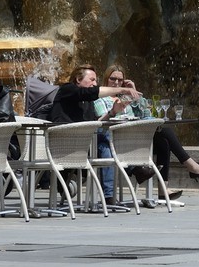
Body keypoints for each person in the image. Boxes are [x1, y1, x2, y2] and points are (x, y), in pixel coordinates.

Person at [94, 65, 199, 187]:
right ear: (106, 79)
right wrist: (115, 111)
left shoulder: (126, 97)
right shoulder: (100, 99)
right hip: (116, 139)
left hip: (135, 139)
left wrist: (134, 92)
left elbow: (147, 113)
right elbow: (103, 122)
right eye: (113, 79)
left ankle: (164, 189)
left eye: (120, 80)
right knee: (163, 134)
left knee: (163, 140)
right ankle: (190, 166)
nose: (116, 82)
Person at [49, 65, 140, 203]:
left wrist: (112, 112)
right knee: (105, 139)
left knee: (105, 143)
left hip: (83, 144)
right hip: (64, 145)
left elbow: (95, 123)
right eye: (91, 80)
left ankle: (109, 196)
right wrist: (123, 89)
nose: (94, 84)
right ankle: (135, 169)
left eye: (96, 81)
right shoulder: (67, 90)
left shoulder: (87, 102)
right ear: (78, 79)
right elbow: (89, 93)